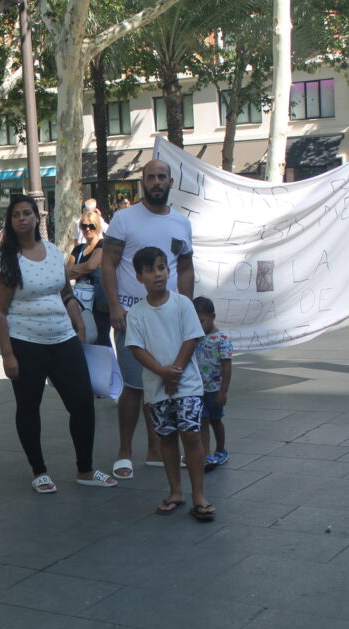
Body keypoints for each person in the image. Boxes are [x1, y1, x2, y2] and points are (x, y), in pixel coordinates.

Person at [0, 194, 116, 493]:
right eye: (16, 214)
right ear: (11, 220)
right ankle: (39, 470)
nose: (22, 218)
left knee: (83, 403)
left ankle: (85, 468)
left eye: (27, 213)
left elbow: (65, 294)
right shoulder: (3, 262)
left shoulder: (55, 252)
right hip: (25, 342)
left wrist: (79, 321)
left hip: (63, 340)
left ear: (36, 218)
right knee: (29, 407)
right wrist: (8, 355)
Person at [102, 160, 194, 480]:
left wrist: (187, 309)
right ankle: (124, 450)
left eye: (161, 177)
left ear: (171, 181)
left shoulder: (181, 223)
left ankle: (157, 449)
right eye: (150, 177)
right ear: (142, 182)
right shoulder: (124, 219)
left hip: (168, 317)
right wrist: (114, 307)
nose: (156, 182)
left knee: (164, 383)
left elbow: (184, 268)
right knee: (133, 385)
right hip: (131, 316)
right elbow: (108, 265)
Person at [125, 247, 214, 521]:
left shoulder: (182, 304)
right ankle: (176, 491)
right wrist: (162, 373)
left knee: (190, 434)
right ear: (139, 277)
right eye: (150, 270)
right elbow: (137, 349)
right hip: (157, 387)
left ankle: (199, 495)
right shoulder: (136, 314)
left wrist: (175, 371)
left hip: (186, 383)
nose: (157, 274)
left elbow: (191, 338)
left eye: (161, 267)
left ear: (169, 270)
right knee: (166, 436)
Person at [192, 296, 232, 470]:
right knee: (203, 421)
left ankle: (221, 450)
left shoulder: (222, 339)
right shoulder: (194, 338)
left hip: (215, 389)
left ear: (213, 316)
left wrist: (223, 391)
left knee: (216, 420)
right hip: (198, 389)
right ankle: (206, 455)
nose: (198, 326)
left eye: (201, 321)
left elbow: (227, 366)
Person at [65, 207, 109, 346]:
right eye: (84, 226)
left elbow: (92, 265)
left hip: (99, 302)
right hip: (80, 302)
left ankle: (108, 367)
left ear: (98, 227)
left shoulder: (103, 244)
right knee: (82, 336)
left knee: (101, 338)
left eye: (92, 225)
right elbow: (66, 272)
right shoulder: (78, 249)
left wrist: (77, 270)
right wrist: (84, 269)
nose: (87, 229)